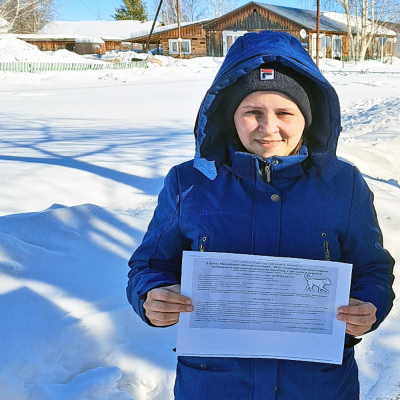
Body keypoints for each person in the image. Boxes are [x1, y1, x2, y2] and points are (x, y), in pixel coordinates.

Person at [127, 31, 395, 400]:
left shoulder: (342, 184)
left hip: (318, 385)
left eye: (284, 112)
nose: (269, 128)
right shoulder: (189, 183)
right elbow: (150, 264)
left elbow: (372, 269)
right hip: (215, 385)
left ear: (307, 118)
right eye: (253, 112)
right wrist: (151, 296)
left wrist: (370, 305)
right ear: (230, 117)